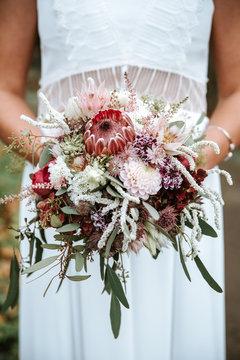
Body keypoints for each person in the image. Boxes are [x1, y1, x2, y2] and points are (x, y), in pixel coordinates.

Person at [0, 0, 240, 359]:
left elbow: (236, 90)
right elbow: (4, 88)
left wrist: (186, 166)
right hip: (66, 199)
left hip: (180, 198)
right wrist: (69, 168)